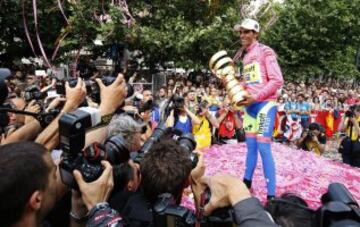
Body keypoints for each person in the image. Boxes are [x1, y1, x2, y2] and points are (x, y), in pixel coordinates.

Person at [233, 18, 284, 199]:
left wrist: (256, 96)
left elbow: (277, 80)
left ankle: (271, 196)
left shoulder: (265, 51)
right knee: (251, 147)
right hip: (250, 108)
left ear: (255, 33)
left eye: (246, 31)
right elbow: (250, 83)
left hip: (265, 105)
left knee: (264, 149)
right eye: (241, 32)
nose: (242, 35)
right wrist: (238, 91)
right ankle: (246, 183)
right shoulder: (245, 57)